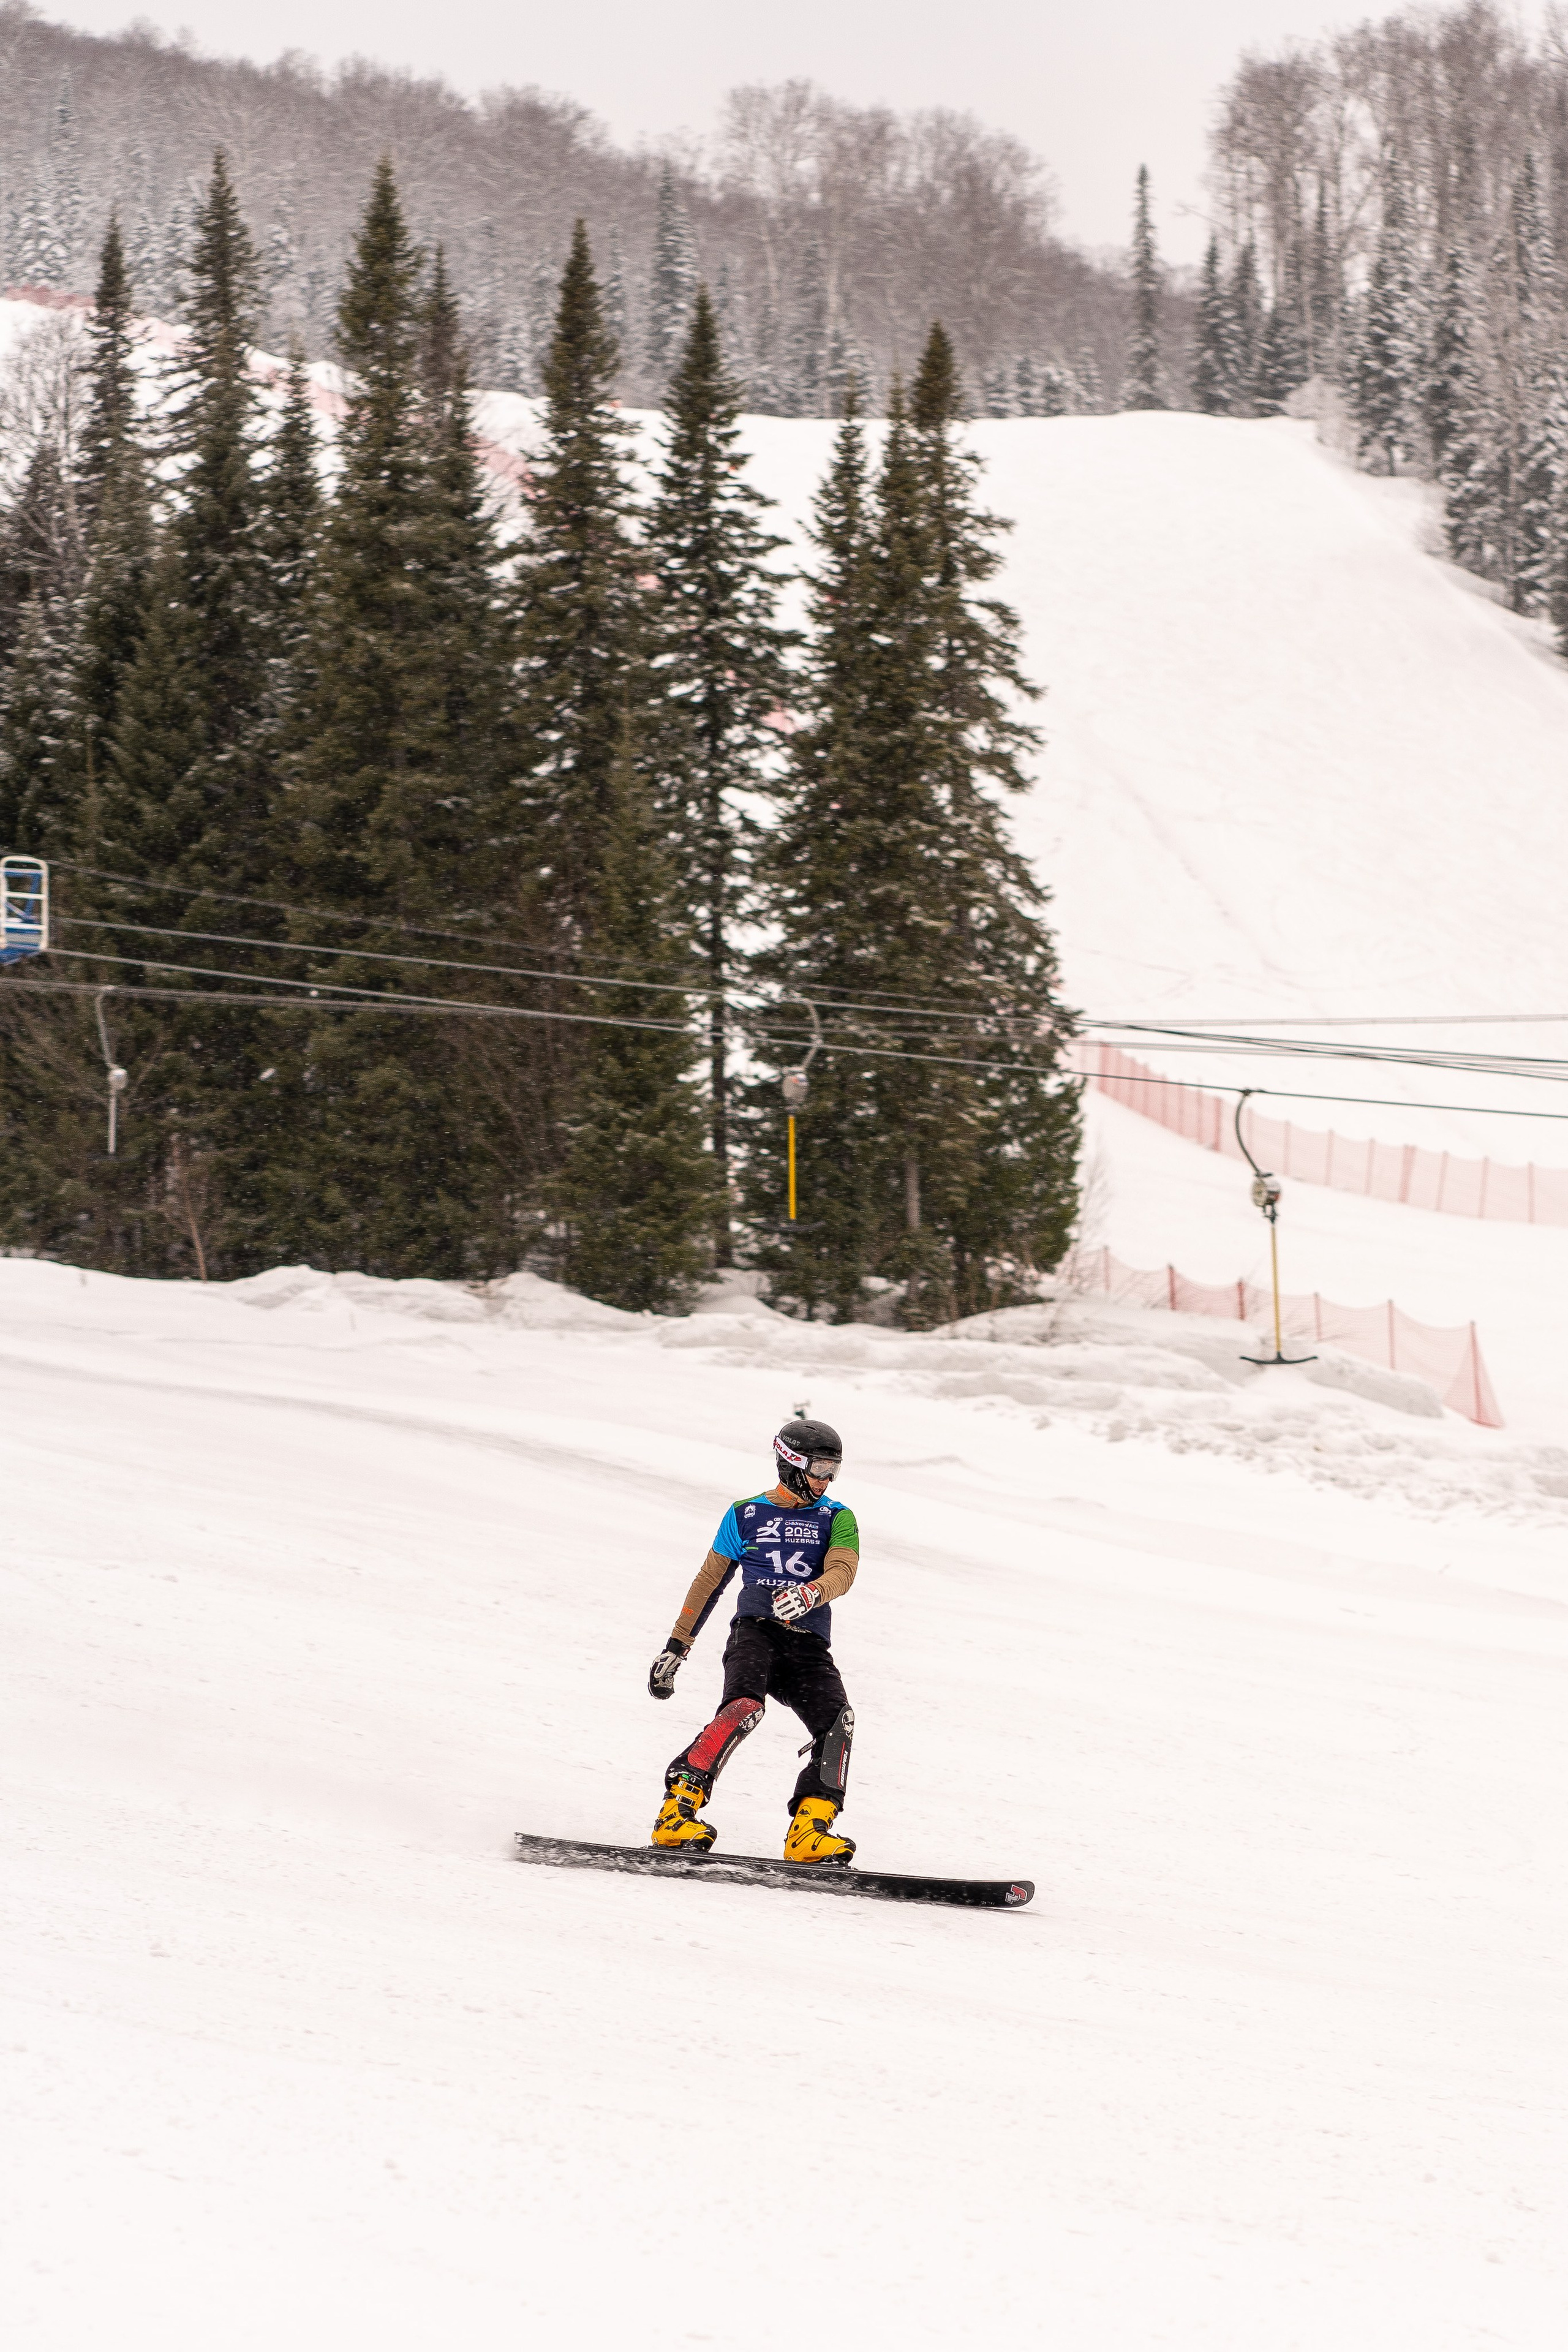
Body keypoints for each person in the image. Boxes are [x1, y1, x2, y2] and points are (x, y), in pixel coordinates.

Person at [646, 1417, 859, 1863]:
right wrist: (676, 1645)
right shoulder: (745, 1513)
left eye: (832, 1471)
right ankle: (676, 1812)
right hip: (756, 1630)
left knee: (838, 1724)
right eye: (819, 1468)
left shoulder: (837, 1517)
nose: (826, 1480)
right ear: (792, 1464)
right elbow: (709, 1582)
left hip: (808, 1643)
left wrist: (811, 1592)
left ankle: (810, 1830)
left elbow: (843, 1571)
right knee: (744, 1707)